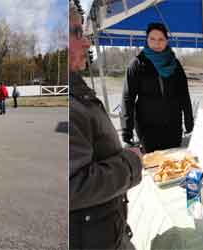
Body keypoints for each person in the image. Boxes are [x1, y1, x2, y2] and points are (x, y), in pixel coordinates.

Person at [68, 8, 141, 249]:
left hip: (106, 227)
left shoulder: (77, 91)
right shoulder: (68, 105)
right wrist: (130, 163)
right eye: (76, 32)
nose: (87, 42)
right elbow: (73, 185)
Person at [120, 22, 194, 153]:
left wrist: (189, 120)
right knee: (152, 161)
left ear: (166, 41)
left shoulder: (175, 64)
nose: (156, 43)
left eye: (161, 39)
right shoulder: (137, 64)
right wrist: (127, 129)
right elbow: (128, 98)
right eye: (152, 39)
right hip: (147, 128)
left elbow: (184, 94)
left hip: (173, 125)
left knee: (174, 160)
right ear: (147, 40)